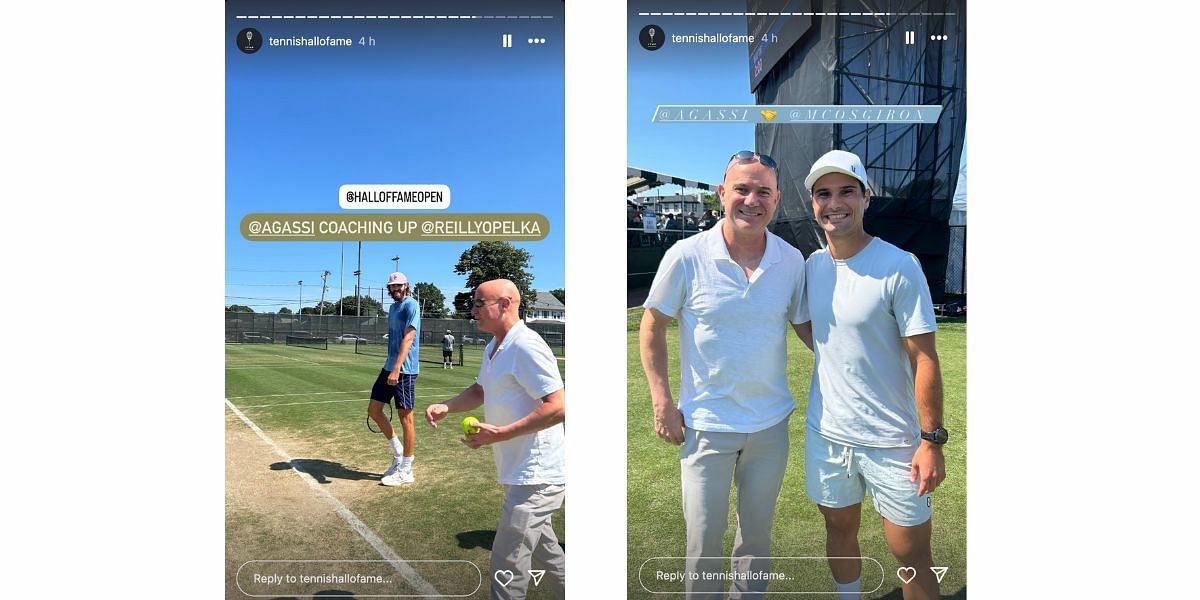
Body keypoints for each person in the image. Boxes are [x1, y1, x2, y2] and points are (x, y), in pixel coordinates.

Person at [639, 151, 807, 598]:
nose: (752, 200)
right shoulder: (686, 255)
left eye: (763, 192)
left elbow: (809, 328)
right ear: (722, 193)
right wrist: (662, 403)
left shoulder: (791, 261)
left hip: (770, 426)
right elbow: (653, 324)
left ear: (777, 199)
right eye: (742, 189)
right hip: (706, 426)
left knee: (755, 542)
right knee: (703, 546)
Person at [796, 150, 947, 600]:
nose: (834, 202)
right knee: (839, 530)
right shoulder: (812, 266)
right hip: (827, 435)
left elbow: (925, 359)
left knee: (911, 555)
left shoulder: (899, 265)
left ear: (866, 198)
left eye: (847, 191)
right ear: (813, 204)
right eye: (824, 193)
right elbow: (808, 325)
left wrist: (931, 440)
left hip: (894, 439)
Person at [425, 279, 565, 600]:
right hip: (521, 474)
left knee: (507, 565)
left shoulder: (526, 346)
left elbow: (558, 407)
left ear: (505, 304)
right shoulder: (494, 347)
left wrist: (500, 434)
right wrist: (447, 406)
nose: (472, 310)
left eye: (478, 303)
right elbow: (480, 390)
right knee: (550, 557)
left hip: (537, 477)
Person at [368, 272, 421, 486]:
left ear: (406, 286)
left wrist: (397, 368)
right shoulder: (392, 308)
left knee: (405, 418)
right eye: (392, 286)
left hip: (405, 370)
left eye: (399, 285)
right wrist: (391, 366)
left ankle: (407, 469)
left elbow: (409, 337)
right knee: (373, 410)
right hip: (389, 366)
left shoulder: (411, 305)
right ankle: (398, 452)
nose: (395, 288)